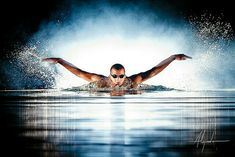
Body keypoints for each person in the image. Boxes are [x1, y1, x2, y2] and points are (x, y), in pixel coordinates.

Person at [43, 54, 191, 89]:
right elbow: (79, 72)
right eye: (114, 76)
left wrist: (172, 58)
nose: (118, 79)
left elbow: (154, 71)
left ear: (125, 75)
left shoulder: (133, 81)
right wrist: (59, 61)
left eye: (121, 76)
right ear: (110, 75)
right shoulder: (100, 82)